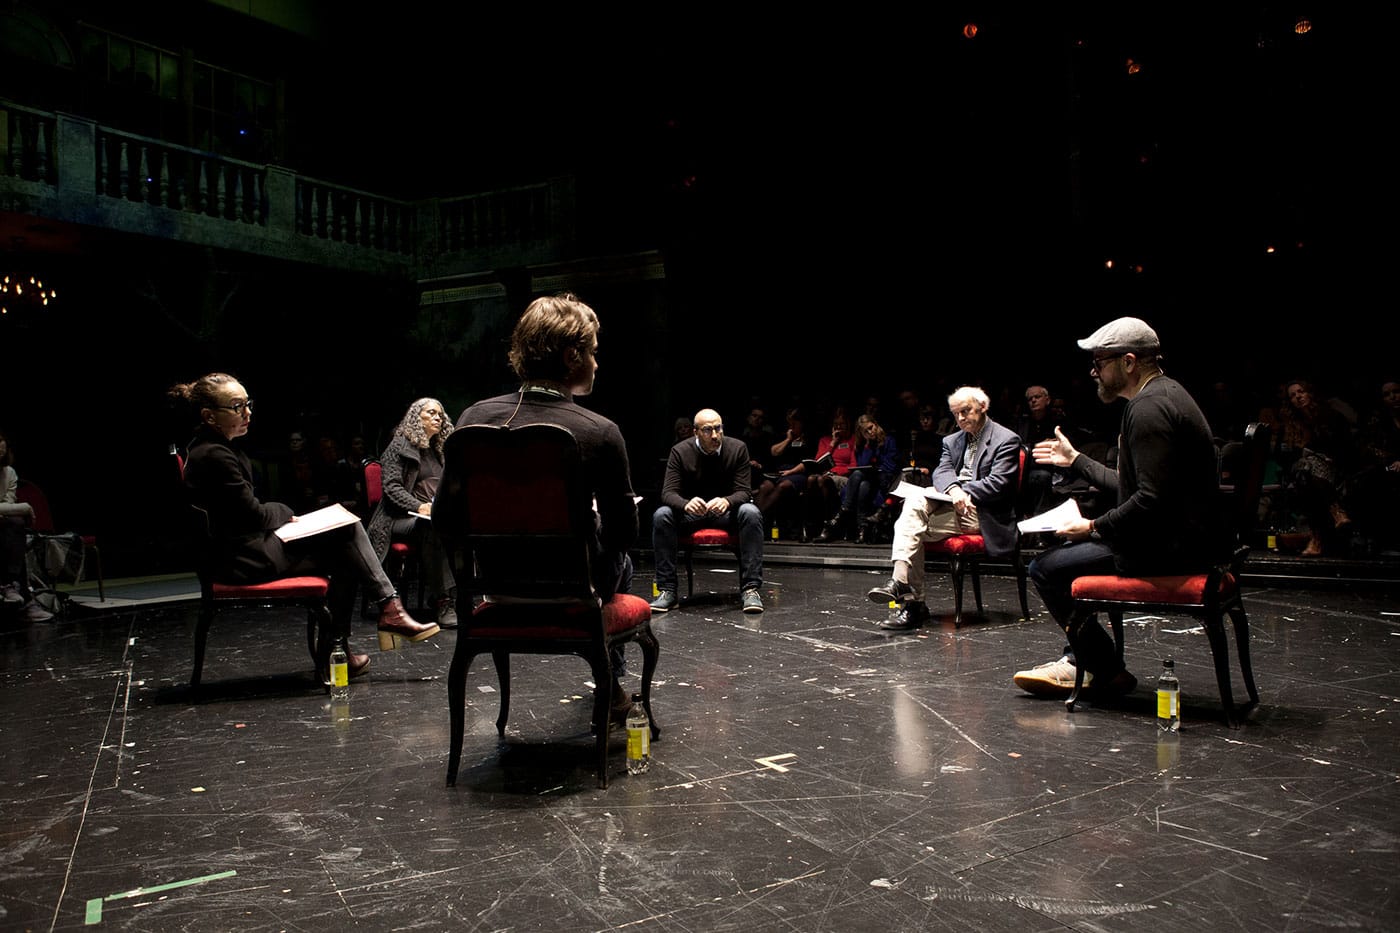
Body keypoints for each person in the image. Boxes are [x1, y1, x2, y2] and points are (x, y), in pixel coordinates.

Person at [169, 373, 439, 680]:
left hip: (247, 546)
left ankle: (359, 635)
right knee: (347, 550)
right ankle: (363, 630)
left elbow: (249, 513)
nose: (247, 413)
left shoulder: (212, 447)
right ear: (209, 416)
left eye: (247, 404)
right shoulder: (213, 455)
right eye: (236, 406)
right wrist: (285, 511)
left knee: (346, 537)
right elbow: (254, 515)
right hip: (241, 558)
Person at [1014, 317, 1224, 699]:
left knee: (1045, 569)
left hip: (1168, 551)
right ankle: (1082, 658)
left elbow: (1149, 501)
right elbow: (1137, 488)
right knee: (1064, 557)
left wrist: (1093, 527)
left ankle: (1101, 668)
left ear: (1128, 362)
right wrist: (1075, 459)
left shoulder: (1148, 410)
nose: (1094, 372)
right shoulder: (1166, 394)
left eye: (1100, 362)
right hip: (1180, 538)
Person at [454, 293, 638, 720]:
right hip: (574, 588)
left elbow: (448, 518)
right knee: (623, 564)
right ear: (572, 355)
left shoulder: (471, 420)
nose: (596, 363)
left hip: (497, 585)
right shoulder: (601, 432)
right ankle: (609, 685)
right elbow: (624, 534)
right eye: (593, 353)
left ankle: (609, 686)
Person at [866, 386, 1021, 631]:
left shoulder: (1006, 439)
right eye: (956, 413)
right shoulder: (952, 440)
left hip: (983, 514)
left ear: (982, 407)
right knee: (913, 508)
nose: (960, 418)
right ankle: (902, 585)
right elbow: (942, 471)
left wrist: (962, 491)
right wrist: (954, 491)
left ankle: (910, 599)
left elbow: (998, 484)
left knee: (907, 524)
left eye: (966, 411)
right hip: (953, 507)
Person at [650, 408, 765, 614]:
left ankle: (750, 589)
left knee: (751, 512)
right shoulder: (680, 451)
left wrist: (727, 501)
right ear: (695, 432)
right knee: (662, 515)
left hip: (726, 514)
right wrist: (685, 503)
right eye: (707, 430)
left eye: (718, 428)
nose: (714, 435)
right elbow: (668, 493)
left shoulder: (738, 448)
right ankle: (667, 591)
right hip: (692, 514)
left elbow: (744, 491)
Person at [367, 398, 457, 628]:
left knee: (459, 525)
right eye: (431, 413)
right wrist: (420, 507)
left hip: (436, 515)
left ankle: (461, 595)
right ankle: (443, 600)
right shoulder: (398, 447)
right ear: (417, 417)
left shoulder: (439, 450)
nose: (438, 417)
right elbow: (391, 488)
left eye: (440, 414)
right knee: (432, 526)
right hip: (397, 518)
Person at [1278, 378, 1358, 556]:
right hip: (1301, 472)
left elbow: (1346, 448)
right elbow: (1284, 455)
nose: (1298, 397)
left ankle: (1317, 539)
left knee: (1308, 473)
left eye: (1301, 392)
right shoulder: (1290, 426)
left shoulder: (1331, 417)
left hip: (1333, 469)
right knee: (1305, 466)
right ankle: (1336, 511)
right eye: (1292, 396)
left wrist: (1327, 457)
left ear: (1309, 393)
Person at [818, 413, 899, 543]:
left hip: (883, 479)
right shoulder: (863, 445)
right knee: (863, 484)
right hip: (867, 480)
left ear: (876, 424)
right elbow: (862, 465)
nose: (870, 432)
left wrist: (876, 469)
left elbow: (890, 465)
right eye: (865, 431)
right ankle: (862, 529)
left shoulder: (888, 440)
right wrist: (868, 445)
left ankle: (842, 514)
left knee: (858, 477)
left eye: (871, 427)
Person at [0, 430, 53, 623]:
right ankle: (16, 592)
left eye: (2, 454)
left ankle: (12, 586)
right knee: (14, 523)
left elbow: (8, 504)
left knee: (15, 524)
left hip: (3, 524)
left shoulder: (9, 473)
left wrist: (12, 509)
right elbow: (13, 507)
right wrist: (24, 507)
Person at [753, 407, 814, 540]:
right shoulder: (785, 435)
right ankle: (757, 522)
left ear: (801, 423)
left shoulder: (808, 438)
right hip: (779, 472)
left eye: (794, 423)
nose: (791, 426)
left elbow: (807, 462)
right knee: (765, 487)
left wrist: (790, 471)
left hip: (798, 473)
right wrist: (788, 440)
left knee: (783, 486)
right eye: (789, 423)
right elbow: (774, 452)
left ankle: (755, 520)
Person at [802, 407, 857, 540]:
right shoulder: (825, 440)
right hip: (824, 475)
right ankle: (810, 525)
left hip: (844, 477)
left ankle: (828, 526)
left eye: (842, 424)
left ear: (848, 424)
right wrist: (833, 443)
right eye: (835, 424)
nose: (838, 427)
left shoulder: (853, 440)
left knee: (822, 480)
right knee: (810, 479)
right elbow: (819, 460)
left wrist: (834, 472)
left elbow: (853, 466)